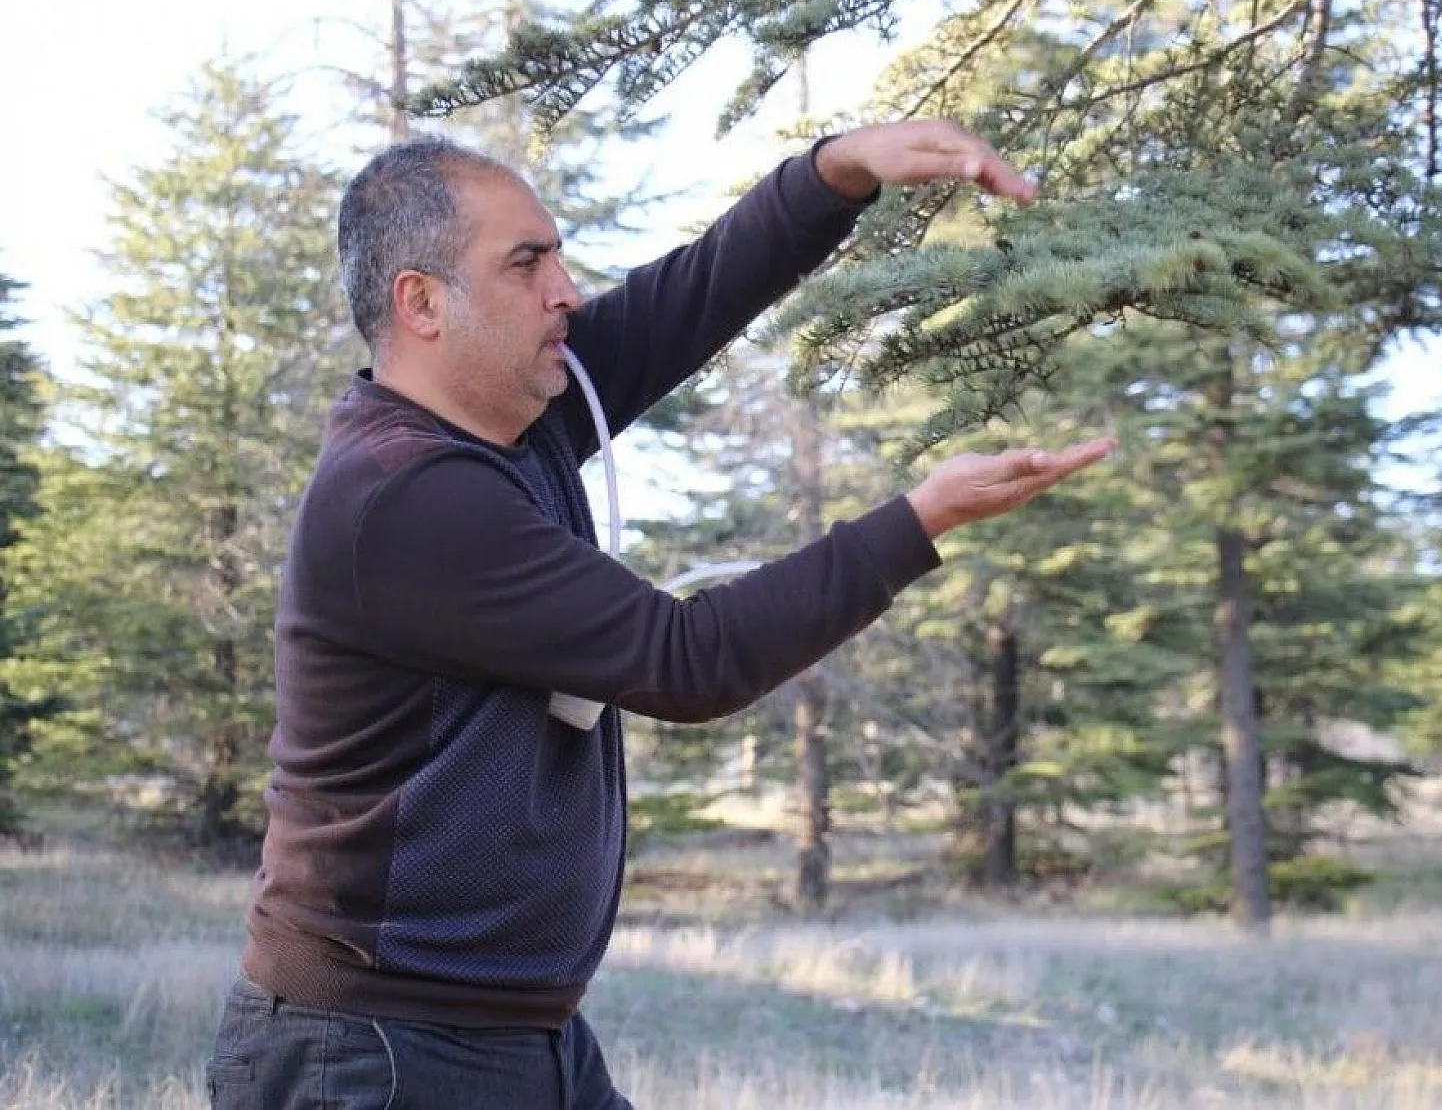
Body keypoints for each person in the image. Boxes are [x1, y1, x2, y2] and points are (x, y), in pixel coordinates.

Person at [205, 118, 1113, 1110]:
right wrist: (920, 517)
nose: (566, 289)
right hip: (378, 1051)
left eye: (556, 254)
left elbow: (691, 298)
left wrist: (835, 171)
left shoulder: (524, 405)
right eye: (526, 263)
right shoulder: (408, 497)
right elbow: (690, 660)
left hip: (504, 1033)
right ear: (420, 303)